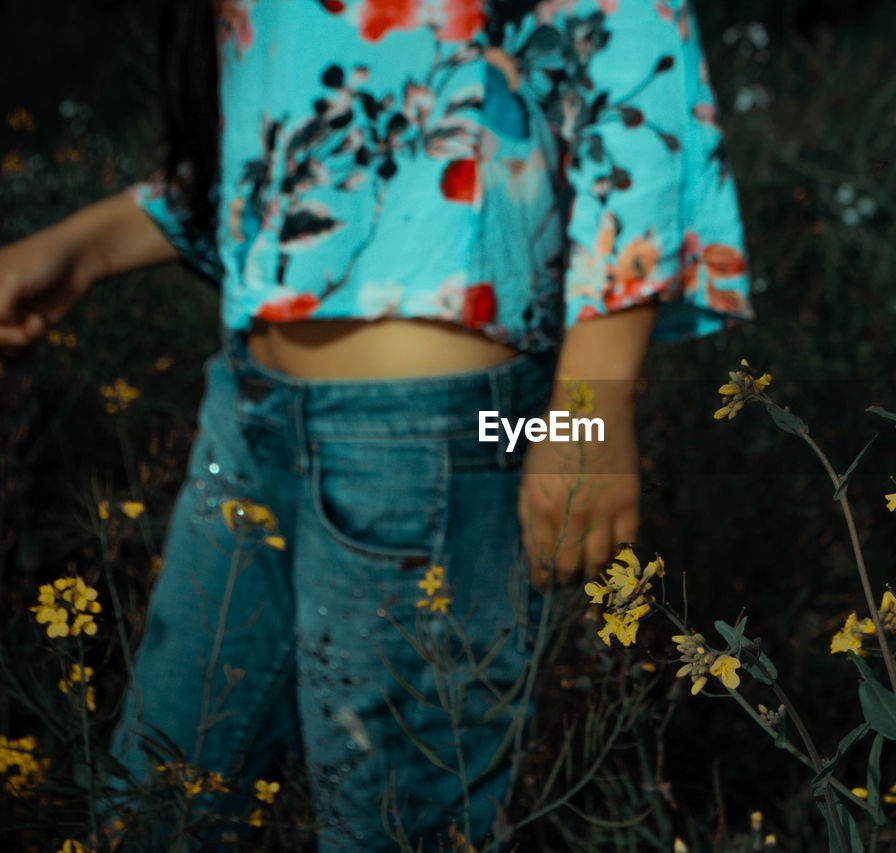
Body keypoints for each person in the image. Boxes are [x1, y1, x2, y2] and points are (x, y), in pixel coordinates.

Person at [0, 0, 752, 849]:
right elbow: (304, 147)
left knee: (398, 831)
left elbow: (630, 60)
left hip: (438, 436)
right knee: (153, 811)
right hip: (246, 413)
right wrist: (81, 247)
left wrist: (591, 409)